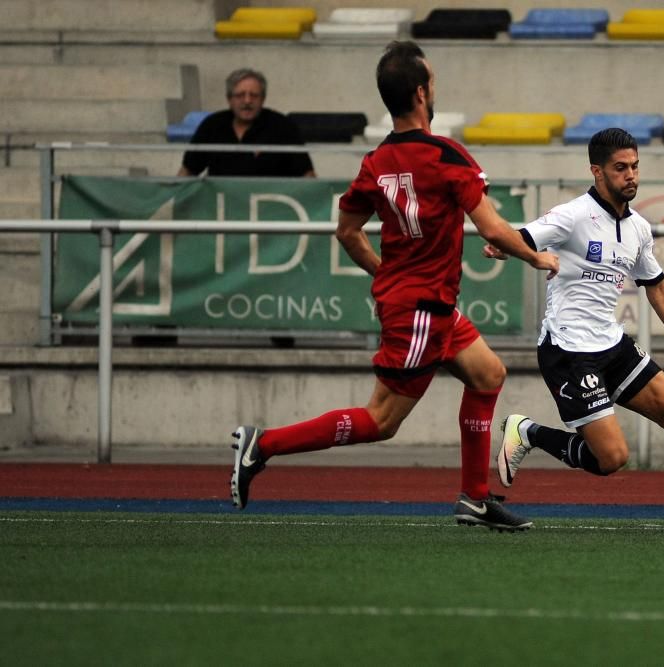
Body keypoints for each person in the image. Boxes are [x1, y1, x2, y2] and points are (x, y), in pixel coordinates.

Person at [229, 41, 559, 531]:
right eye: (434, 81)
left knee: (488, 374)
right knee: (381, 420)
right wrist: (536, 256)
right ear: (422, 92)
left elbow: (346, 231)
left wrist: (385, 275)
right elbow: (491, 229)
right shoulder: (447, 155)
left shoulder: (376, 160)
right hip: (422, 310)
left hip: (427, 306)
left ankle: (475, 497)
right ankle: (263, 445)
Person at [490, 128, 664, 535]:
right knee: (611, 459)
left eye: (635, 167)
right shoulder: (572, 215)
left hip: (612, 345)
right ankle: (528, 432)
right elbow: (520, 236)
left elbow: (658, 286)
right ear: (597, 171)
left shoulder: (638, 229)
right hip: (569, 350)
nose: (631, 175)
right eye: (620, 168)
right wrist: (507, 246)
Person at [178, 68, 316, 177]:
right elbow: (187, 172)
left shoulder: (283, 127)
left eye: (254, 95)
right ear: (229, 99)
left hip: (272, 210)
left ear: (263, 99)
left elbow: (307, 176)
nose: (247, 101)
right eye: (240, 95)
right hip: (222, 209)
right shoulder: (212, 125)